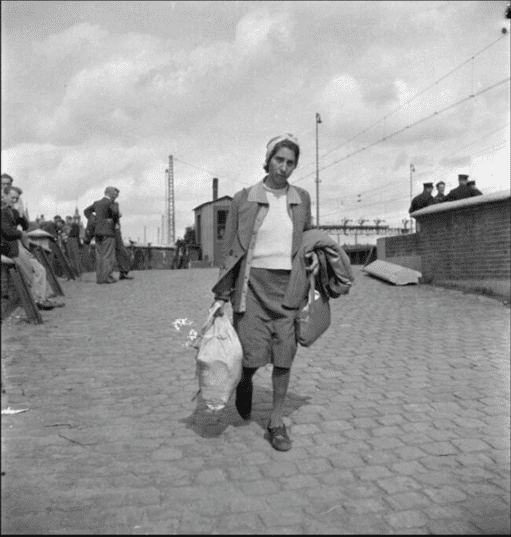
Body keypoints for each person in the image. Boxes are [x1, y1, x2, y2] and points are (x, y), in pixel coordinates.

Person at [211, 133, 318, 452]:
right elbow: (230, 247)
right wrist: (221, 293)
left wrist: (311, 258)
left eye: (290, 162)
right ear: (268, 159)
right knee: (252, 352)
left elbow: (308, 235)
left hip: (289, 288)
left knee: (285, 355)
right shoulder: (244, 199)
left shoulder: (301, 198)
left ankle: (275, 422)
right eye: (279, 160)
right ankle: (245, 380)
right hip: (251, 287)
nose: (284, 168)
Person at [1, 186, 63, 310]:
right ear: (4, 196)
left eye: (17, 198)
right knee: (37, 271)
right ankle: (40, 300)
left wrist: (21, 213)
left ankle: (42, 299)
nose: (14, 200)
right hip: (12, 247)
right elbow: (7, 232)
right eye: (12, 198)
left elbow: (25, 226)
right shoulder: (2, 211)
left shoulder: (12, 211)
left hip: (18, 246)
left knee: (38, 270)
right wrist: (21, 234)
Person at [84, 186, 120, 284]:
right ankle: (106, 277)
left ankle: (99, 278)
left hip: (97, 232)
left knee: (99, 255)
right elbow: (115, 213)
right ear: (110, 193)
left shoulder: (97, 203)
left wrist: (94, 219)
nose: (116, 196)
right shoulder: (110, 203)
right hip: (108, 232)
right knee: (108, 256)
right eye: (115, 193)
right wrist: (114, 221)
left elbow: (86, 211)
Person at [112, 188, 133, 280]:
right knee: (109, 253)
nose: (116, 196)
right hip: (109, 230)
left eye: (117, 194)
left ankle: (123, 272)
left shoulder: (116, 204)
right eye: (115, 194)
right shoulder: (106, 204)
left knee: (121, 251)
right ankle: (107, 274)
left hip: (116, 230)